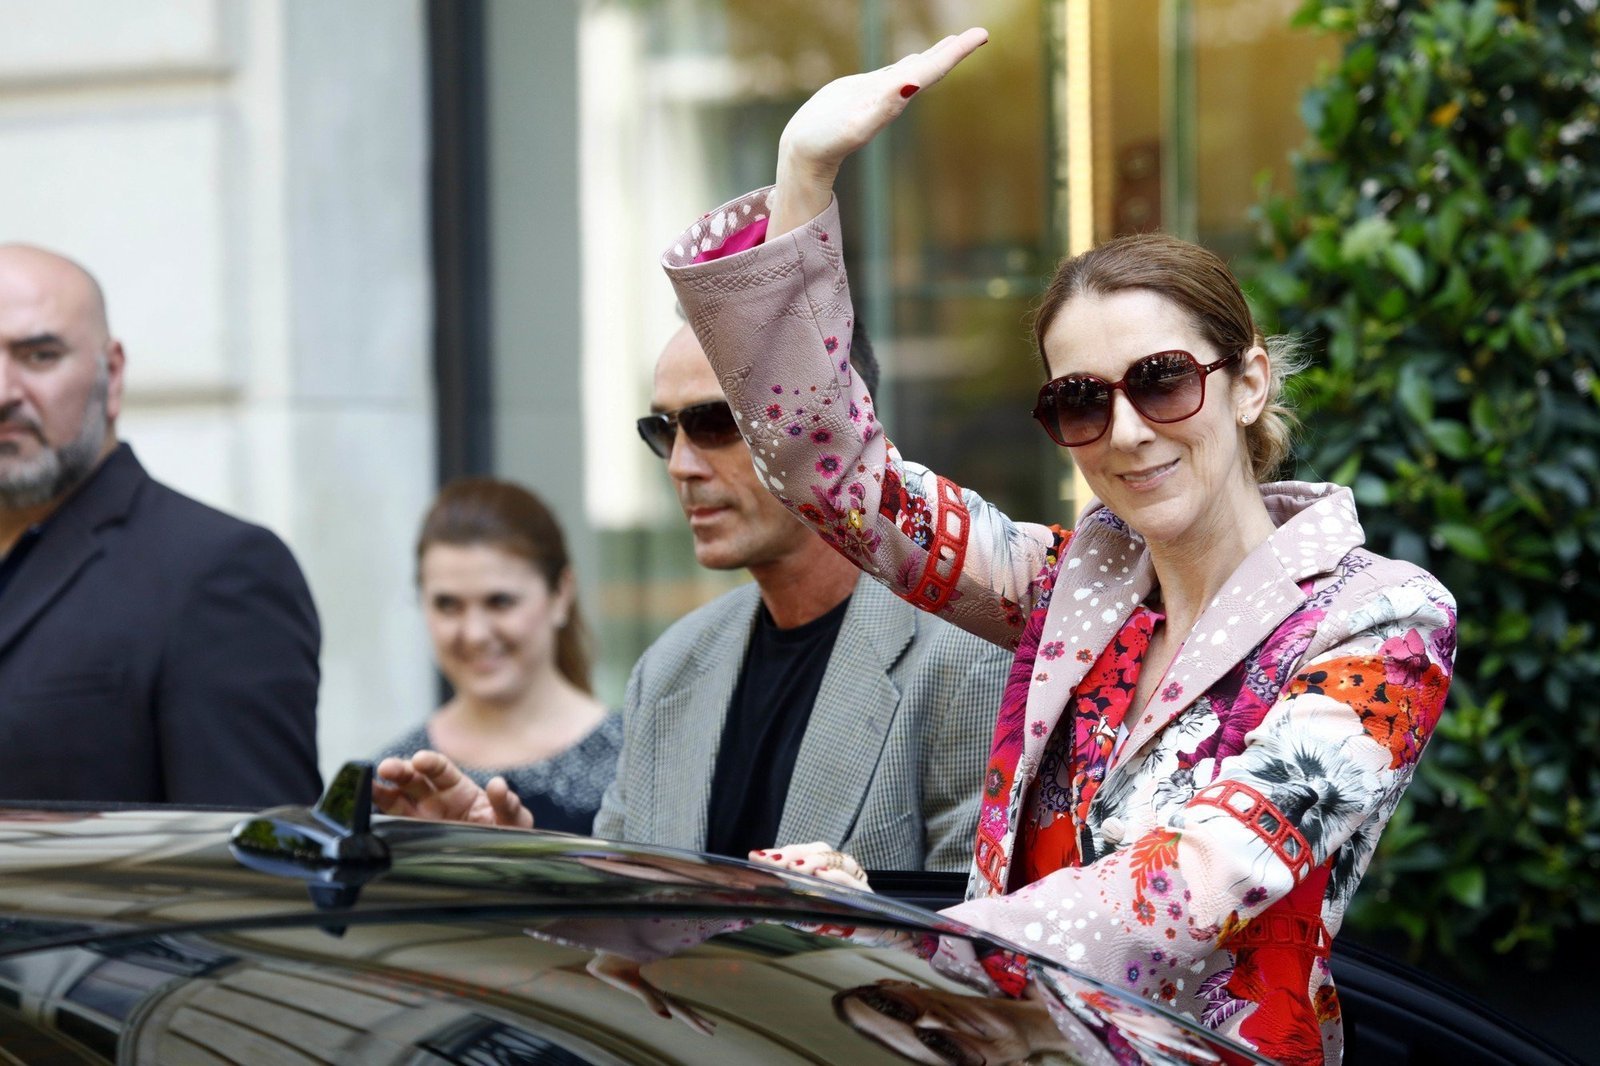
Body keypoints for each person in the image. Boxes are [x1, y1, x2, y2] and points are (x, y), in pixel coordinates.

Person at [656, 29, 1457, 1065]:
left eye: (1163, 380)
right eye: (1081, 400)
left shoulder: (1380, 617)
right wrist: (802, 175)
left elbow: (1201, 878)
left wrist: (910, 946)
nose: (1125, 431)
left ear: (1247, 381)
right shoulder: (1064, 585)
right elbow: (840, 480)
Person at [374, 322, 1011, 872]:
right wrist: (519, 870)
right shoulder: (672, 666)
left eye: (714, 423)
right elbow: (622, 935)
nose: (680, 465)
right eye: (663, 429)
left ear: (840, 427)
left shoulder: (965, 655)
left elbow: (972, 948)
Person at [0, 243, 321, 804]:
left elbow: (255, 869)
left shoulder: (220, 570)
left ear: (113, 374)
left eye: (39, 355)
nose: (3, 393)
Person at [375, 478, 620, 834]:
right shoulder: (392, 784)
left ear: (561, 594)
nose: (475, 633)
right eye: (448, 605)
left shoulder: (640, 765)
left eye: (500, 602)